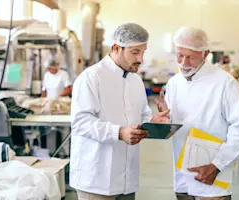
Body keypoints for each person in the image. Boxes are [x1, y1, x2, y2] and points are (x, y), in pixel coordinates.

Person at [70, 23, 170, 200]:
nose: (140, 58)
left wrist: (154, 120)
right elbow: (81, 122)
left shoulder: (135, 81)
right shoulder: (91, 78)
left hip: (127, 180)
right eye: (135, 52)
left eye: (143, 52)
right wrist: (119, 132)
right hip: (96, 181)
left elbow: (142, 115)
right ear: (116, 48)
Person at [155, 27, 239, 200]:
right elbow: (177, 126)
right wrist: (165, 119)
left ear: (205, 54)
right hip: (182, 179)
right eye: (179, 55)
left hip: (213, 178)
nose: (184, 62)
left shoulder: (225, 83)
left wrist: (216, 165)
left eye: (191, 57)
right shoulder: (174, 83)